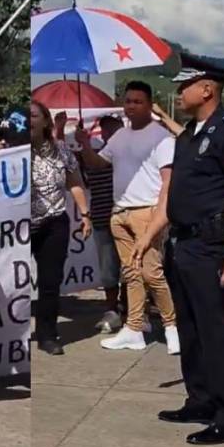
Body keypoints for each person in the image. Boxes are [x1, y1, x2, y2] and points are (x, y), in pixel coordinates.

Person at [156, 54, 224, 445]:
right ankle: (199, 399)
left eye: (184, 86)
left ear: (207, 88)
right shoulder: (189, 135)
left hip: (211, 246)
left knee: (214, 333)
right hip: (182, 243)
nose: (178, 92)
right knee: (189, 330)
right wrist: (152, 237)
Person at [75, 81, 180, 355]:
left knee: (151, 272)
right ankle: (133, 328)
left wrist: (160, 216)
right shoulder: (120, 136)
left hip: (147, 212)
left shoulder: (162, 138)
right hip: (119, 212)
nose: (131, 106)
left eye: (137, 101)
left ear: (149, 104)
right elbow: (98, 163)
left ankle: (173, 325)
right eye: (128, 101)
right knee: (131, 274)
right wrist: (85, 144)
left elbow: (169, 183)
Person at [31, 101, 91, 356]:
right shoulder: (16, 150)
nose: (29, 120)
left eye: (33, 115)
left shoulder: (62, 151)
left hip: (54, 222)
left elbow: (75, 183)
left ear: (45, 121)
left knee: (50, 282)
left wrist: (85, 213)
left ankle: (48, 334)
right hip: (21, 225)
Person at [87, 115, 126, 333]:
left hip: (126, 218)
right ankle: (111, 310)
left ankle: (131, 309)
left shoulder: (129, 156)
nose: (113, 135)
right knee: (109, 270)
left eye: (117, 130)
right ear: (102, 133)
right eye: (109, 130)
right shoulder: (93, 156)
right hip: (102, 218)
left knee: (131, 269)